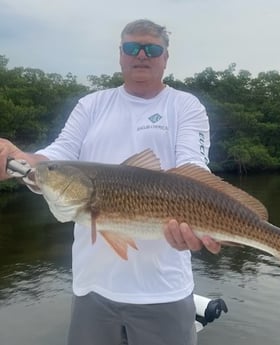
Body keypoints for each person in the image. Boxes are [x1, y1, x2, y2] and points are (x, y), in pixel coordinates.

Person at [0, 19, 221, 345]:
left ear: (165, 57)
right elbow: (57, 155)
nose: (141, 55)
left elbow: (192, 167)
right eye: (132, 48)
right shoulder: (92, 105)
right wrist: (20, 159)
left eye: (152, 49)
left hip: (163, 290)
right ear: (120, 54)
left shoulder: (184, 105)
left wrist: (205, 219)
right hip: (92, 288)